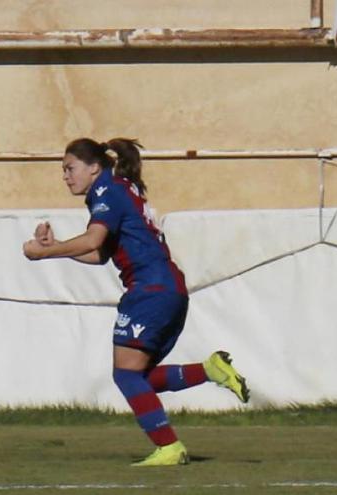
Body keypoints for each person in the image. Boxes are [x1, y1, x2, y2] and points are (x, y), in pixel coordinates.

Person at [23, 137, 250, 467]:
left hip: (149, 288)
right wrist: (56, 247)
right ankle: (210, 370)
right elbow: (100, 254)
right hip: (168, 288)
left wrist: (44, 251)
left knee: (127, 376)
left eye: (70, 168)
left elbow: (92, 240)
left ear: (94, 167)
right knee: (136, 376)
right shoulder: (121, 187)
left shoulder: (106, 191)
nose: (65, 176)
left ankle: (169, 447)